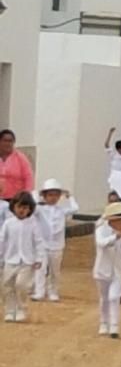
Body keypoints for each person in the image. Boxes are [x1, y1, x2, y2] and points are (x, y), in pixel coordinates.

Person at [93, 202, 121, 339]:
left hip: (118, 273)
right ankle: (104, 322)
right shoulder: (101, 231)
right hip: (102, 271)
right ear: (113, 220)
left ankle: (115, 326)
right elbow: (101, 243)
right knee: (104, 298)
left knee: (114, 297)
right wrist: (115, 237)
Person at [0, 191, 44, 322]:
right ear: (13, 207)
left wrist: (39, 258)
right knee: (7, 286)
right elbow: (2, 241)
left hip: (27, 261)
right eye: (19, 207)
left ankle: (21, 309)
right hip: (10, 259)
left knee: (21, 285)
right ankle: (9, 310)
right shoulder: (8, 223)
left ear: (30, 209)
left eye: (25, 208)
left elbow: (38, 241)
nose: (22, 210)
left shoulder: (33, 223)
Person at [32, 179, 79, 302]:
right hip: (42, 245)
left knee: (55, 270)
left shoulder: (62, 210)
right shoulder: (39, 210)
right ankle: (39, 291)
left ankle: (53, 291)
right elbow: (32, 206)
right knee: (40, 269)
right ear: (45, 196)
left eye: (56, 195)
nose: (53, 198)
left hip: (57, 245)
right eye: (50, 195)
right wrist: (37, 195)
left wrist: (70, 197)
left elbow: (75, 208)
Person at [0, 129, 34, 201]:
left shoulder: (20, 157)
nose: (8, 143)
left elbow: (28, 177)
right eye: (5, 140)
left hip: (15, 199)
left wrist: (26, 195)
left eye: (10, 141)